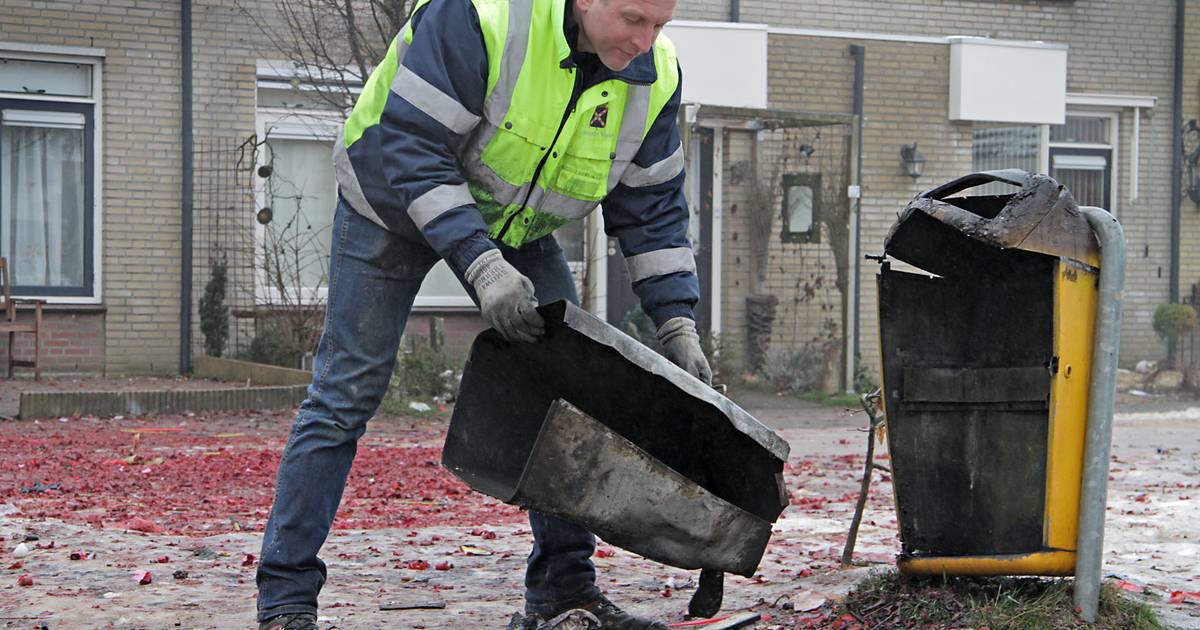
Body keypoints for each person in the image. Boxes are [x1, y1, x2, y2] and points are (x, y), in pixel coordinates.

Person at [255, 0, 709, 626]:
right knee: (344, 395)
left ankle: (563, 593)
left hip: (511, 223)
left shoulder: (654, 73)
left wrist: (676, 321)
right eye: (634, 19)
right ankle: (286, 600)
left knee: (567, 393)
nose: (646, 40)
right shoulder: (481, 15)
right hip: (388, 197)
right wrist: (481, 263)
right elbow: (411, 146)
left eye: (660, 24)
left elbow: (653, 208)